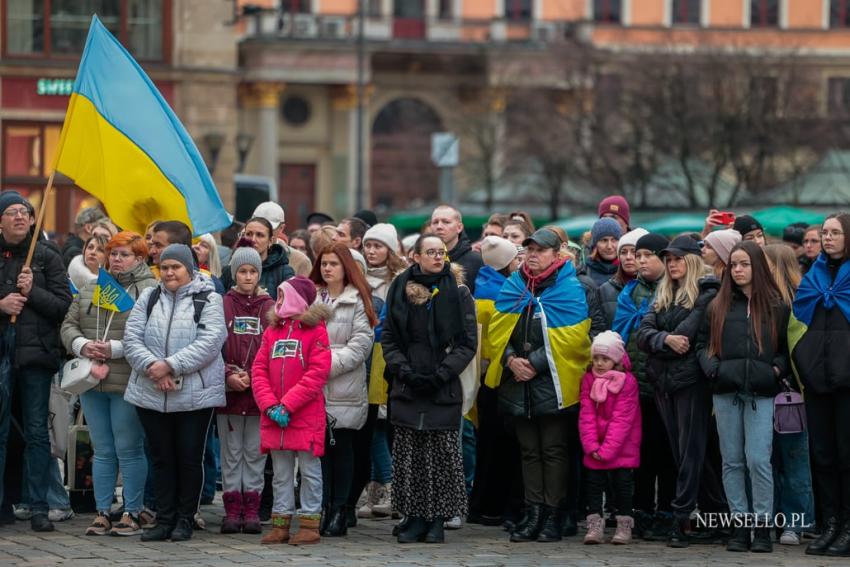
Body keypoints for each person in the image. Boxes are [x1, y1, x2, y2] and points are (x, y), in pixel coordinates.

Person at [486, 228, 591, 543]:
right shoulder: (514, 285)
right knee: (529, 451)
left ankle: (553, 514)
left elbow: (575, 339)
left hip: (553, 383)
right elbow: (497, 330)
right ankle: (532, 513)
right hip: (519, 382)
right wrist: (510, 360)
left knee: (554, 450)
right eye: (529, 249)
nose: (533, 255)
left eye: (540, 250)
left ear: (556, 254)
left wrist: (536, 364)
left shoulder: (569, 288)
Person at [123, 244, 227, 542]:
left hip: (194, 394)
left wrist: (170, 365)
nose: (169, 272)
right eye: (164, 267)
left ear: (189, 269)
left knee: (188, 457)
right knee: (161, 458)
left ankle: (184, 517)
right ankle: (164, 518)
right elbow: (132, 337)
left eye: (175, 267)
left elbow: (210, 341)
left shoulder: (209, 298)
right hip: (151, 390)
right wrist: (152, 367)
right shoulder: (149, 296)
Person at [381, 234, 477, 544]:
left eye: (442, 252)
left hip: (442, 385)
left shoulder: (458, 292)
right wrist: (404, 370)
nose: (437, 257)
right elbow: (389, 339)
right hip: (407, 384)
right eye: (431, 252)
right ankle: (413, 517)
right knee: (410, 457)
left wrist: (441, 374)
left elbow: (467, 344)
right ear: (416, 256)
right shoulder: (399, 289)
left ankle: (437, 518)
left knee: (442, 457)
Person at [60, 231, 156, 536]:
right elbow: (68, 324)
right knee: (101, 449)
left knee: (129, 448)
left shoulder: (149, 291)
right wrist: (81, 345)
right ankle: (102, 511)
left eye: (124, 254)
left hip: (127, 380)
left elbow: (152, 335)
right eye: (113, 253)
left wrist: (115, 349)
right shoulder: (92, 286)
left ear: (139, 258)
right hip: (92, 381)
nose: (116, 259)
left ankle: (132, 510)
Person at [697, 241, 789, 553]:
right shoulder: (716, 305)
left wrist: (774, 371)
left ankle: (762, 526)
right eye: (734, 264)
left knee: (758, 460)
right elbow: (702, 345)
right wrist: (714, 370)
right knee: (732, 461)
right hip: (725, 393)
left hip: (761, 393)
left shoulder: (776, 306)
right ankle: (739, 523)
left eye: (744, 264)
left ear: (757, 267)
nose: (737, 270)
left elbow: (785, 352)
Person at [637, 235, 719, 548]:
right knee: (683, 453)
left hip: (692, 384)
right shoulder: (663, 294)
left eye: (677, 258)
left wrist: (664, 340)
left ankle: (681, 518)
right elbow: (643, 334)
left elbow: (686, 337)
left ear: (692, 260)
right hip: (664, 384)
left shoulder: (707, 292)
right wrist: (664, 341)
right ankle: (718, 513)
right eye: (668, 259)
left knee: (691, 454)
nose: (672, 264)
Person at [0, 192, 72, 532]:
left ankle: (39, 505)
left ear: (32, 220)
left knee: (36, 433)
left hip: (36, 355)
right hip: (3, 352)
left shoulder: (45, 255)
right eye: (10, 212)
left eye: (24, 212)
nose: (18, 216)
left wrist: (32, 293)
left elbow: (62, 306)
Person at [250, 276, 331, 545]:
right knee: (281, 473)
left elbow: (317, 374)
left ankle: (309, 523)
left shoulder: (316, 331)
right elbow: (259, 369)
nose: (278, 301)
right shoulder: (272, 331)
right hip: (275, 415)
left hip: (304, 414)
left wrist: (288, 404)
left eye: (284, 296)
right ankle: (280, 523)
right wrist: (270, 405)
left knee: (309, 470)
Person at [789, 213, 850, 556]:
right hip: (818, 380)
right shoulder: (812, 277)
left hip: (847, 381)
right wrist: (805, 364)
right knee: (823, 456)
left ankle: (848, 525)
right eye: (825, 233)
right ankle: (830, 524)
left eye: (835, 233)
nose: (828, 238)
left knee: (847, 455)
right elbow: (798, 322)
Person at [611, 232, 676, 541]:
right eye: (637, 256)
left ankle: (667, 509)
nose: (639, 261)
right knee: (642, 452)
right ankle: (641, 510)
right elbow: (619, 334)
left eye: (647, 255)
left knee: (668, 452)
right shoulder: (630, 292)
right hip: (636, 386)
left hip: (666, 384)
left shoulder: (675, 291)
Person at [309, 244, 376, 537]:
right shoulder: (312, 296)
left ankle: (340, 510)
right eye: (324, 263)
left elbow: (361, 345)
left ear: (345, 266)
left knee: (343, 447)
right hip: (312, 387)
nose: (327, 269)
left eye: (333, 263)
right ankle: (321, 508)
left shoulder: (357, 300)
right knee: (319, 452)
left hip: (343, 384)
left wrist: (323, 364)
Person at [218, 245, 276, 535]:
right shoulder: (222, 304)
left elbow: (273, 348)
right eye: (242, 271)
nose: (248, 276)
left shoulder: (270, 307)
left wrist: (255, 376)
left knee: (255, 453)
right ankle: (231, 509)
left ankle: (251, 508)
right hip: (229, 394)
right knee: (231, 454)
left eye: (253, 271)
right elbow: (213, 345)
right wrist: (228, 374)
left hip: (258, 395)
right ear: (234, 273)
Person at [468, 236, 523, 527]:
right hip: (498, 377)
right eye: (515, 259)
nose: (519, 263)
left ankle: (482, 504)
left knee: (487, 445)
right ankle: (493, 505)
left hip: (486, 379)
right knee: (500, 447)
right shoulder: (502, 292)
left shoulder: (482, 286)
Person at [763, 243, 815, 546]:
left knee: (794, 459)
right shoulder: (758, 302)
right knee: (766, 460)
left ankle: (796, 522)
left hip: (793, 392)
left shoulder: (798, 302)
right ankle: (772, 519)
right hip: (765, 390)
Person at [579, 331, 641, 545]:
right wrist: (591, 446)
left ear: (616, 360)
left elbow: (622, 420)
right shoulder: (588, 380)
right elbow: (586, 415)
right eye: (596, 358)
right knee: (594, 485)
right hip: (595, 447)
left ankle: (624, 524)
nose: (599, 363)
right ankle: (595, 524)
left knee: (622, 485)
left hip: (621, 447)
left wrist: (606, 451)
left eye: (605, 359)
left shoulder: (628, 382)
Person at [221, 217, 295, 299]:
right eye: (248, 234)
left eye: (260, 235)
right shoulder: (229, 271)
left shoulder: (283, 272)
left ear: (270, 241)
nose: (253, 239)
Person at [430, 205, 484, 294]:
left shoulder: (476, 261)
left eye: (446, 222)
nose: (439, 226)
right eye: (435, 222)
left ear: (459, 228)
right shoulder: (422, 260)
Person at [598, 229, 647, 327]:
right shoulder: (605, 289)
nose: (628, 257)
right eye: (623, 252)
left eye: (634, 252)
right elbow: (599, 326)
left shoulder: (658, 288)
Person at [252, 202, 312, 277]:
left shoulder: (300, 261)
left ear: (281, 228)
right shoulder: (239, 255)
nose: (263, 231)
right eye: (259, 226)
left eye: (269, 228)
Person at [362, 223, 406, 301]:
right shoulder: (358, 275)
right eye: (368, 246)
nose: (371, 251)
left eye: (377, 246)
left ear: (389, 250)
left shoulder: (402, 279)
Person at [585, 218, 622, 287]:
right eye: (604, 240)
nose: (609, 246)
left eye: (614, 240)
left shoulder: (629, 269)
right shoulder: (585, 271)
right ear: (595, 244)